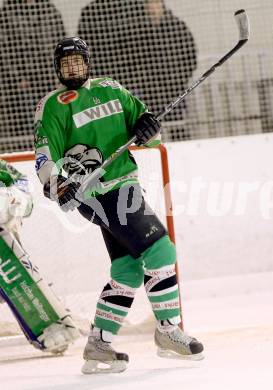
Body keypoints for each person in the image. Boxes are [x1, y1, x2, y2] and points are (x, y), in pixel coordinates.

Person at [34, 37, 204, 374]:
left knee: (127, 268)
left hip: (125, 184)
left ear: (87, 62)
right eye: (65, 63)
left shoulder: (112, 88)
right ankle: (168, 330)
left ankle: (100, 343)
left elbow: (148, 129)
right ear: (57, 68)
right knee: (160, 251)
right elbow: (44, 156)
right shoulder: (52, 105)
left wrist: (149, 127)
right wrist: (57, 184)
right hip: (96, 193)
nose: (72, 68)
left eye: (77, 61)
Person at [77, 0, 197, 141]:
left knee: (178, 127)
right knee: (148, 128)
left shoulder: (177, 27)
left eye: (156, 3)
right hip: (149, 89)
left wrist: (177, 79)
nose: (153, 7)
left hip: (173, 88)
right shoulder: (139, 29)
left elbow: (191, 58)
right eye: (149, 3)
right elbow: (136, 59)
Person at [0, 158, 80, 353]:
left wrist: (10, 200)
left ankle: (50, 319)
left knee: (19, 283)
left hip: (7, 246)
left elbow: (24, 191)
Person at [0, 0, 66, 153]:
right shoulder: (8, 12)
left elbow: (60, 43)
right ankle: (30, 153)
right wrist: (17, 77)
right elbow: (4, 48)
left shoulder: (49, 9)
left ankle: (54, 151)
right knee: (27, 122)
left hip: (48, 78)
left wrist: (57, 75)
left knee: (51, 117)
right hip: (21, 82)